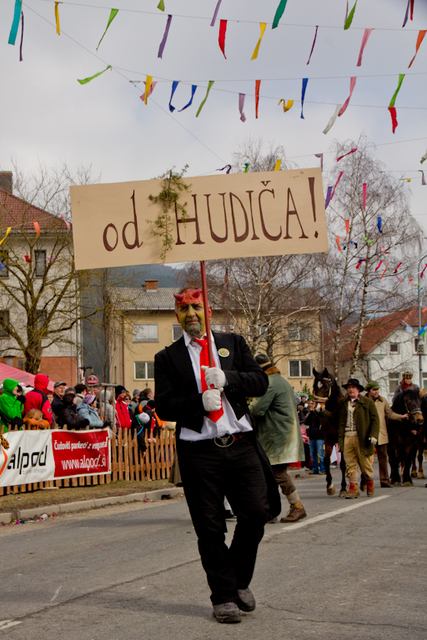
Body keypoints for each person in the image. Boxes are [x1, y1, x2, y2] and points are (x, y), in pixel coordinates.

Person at [155, 287, 280, 624]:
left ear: (208, 311)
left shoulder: (233, 343)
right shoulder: (167, 358)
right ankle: (223, 597)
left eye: (197, 306)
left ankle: (237, 581)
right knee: (210, 530)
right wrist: (198, 402)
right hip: (199, 453)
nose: (191, 314)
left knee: (256, 513)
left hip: (239, 445)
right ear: (177, 315)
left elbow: (259, 382)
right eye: (184, 309)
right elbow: (164, 406)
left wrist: (229, 379)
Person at [250, 354, 307, 523]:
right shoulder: (280, 380)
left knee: (278, 474)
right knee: (269, 475)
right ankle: (271, 510)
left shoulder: (270, 383)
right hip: (282, 434)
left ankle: (297, 506)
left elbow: (256, 409)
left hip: (278, 436)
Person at [325, 378, 380, 499]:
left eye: (353, 387)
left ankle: (369, 482)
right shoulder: (343, 403)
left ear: (358, 389)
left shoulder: (367, 402)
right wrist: (322, 411)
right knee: (350, 463)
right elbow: (334, 417)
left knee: (365, 463)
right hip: (347, 437)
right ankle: (353, 488)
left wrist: (374, 435)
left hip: (363, 438)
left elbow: (375, 420)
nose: (350, 390)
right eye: (348, 388)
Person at [364, 381, 408, 488]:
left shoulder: (382, 400)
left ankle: (384, 480)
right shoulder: (363, 401)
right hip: (367, 434)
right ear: (368, 391)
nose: (376, 392)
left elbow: (390, 414)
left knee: (383, 458)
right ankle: (366, 480)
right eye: (374, 390)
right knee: (366, 459)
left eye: (377, 390)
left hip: (381, 433)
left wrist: (401, 417)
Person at [304, 399, 326, 474]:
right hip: (312, 436)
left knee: (321, 455)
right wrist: (311, 413)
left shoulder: (321, 414)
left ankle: (323, 469)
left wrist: (316, 413)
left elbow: (320, 421)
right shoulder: (311, 414)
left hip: (319, 436)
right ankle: (315, 469)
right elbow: (306, 422)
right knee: (313, 455)